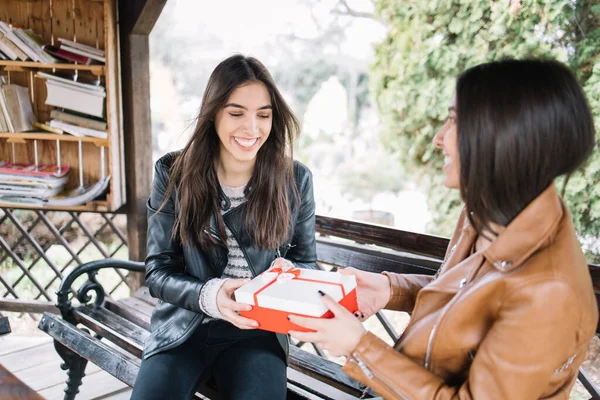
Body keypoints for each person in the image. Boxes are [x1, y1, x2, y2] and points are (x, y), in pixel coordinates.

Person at [289, 59, 598, 399]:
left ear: (503, 140)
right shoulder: (486, 210)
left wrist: (359, 347)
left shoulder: (550, 292)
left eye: (454, 121)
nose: (439, 139)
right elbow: (469, 295)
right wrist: (389, 289)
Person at [131, 54, 317, 400]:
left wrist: (289, 276)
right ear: (213, 113)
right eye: (236, 113)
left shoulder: (296, 179)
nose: (252, 129)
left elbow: (307, 262)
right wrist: (211, 295)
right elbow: (157, 272)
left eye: (263, 115)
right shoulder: (172, 173)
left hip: (258, 333)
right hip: (183, 328)